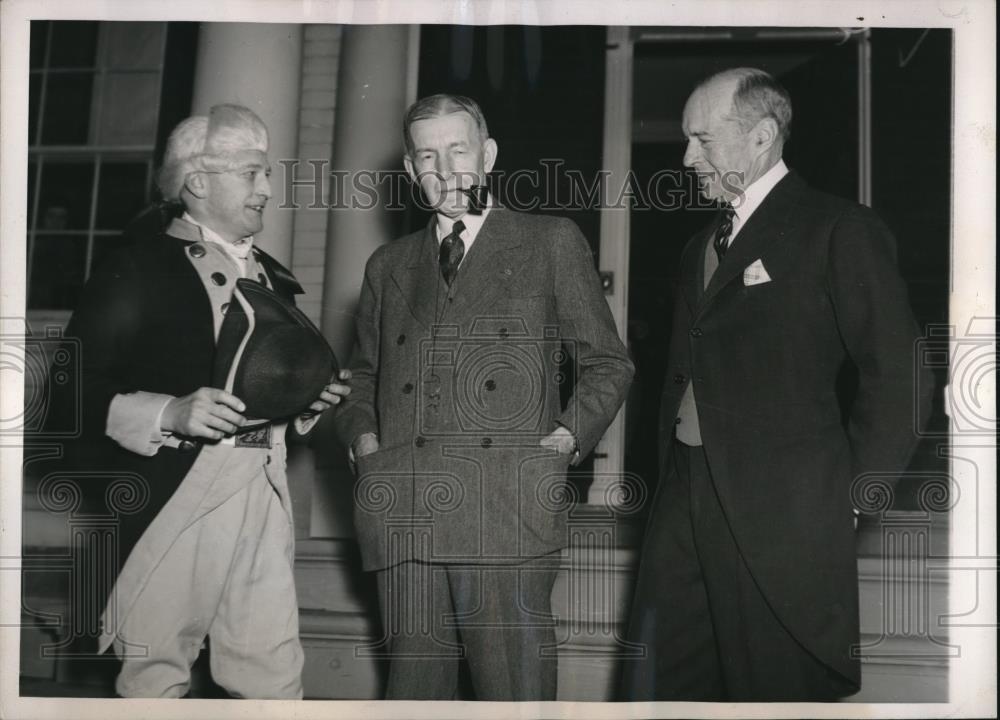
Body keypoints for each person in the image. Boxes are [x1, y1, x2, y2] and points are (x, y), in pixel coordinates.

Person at [620, 69, 933, 701]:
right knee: (657, 687)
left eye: (702, 140)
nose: (687, 158)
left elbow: (900, 371)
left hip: (783, 510)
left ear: (762, 136)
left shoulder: (838, 229)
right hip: (683, 495)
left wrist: (853, 496)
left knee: (773, 689)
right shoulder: (697, 246)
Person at [334, 94, 634, 700]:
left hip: (505, 507)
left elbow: (607, 363)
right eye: (426, 156)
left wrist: (563, 441)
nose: (443, 170)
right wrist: (364, 440)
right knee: (413, 695)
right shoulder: (388, 264)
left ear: (488, 155)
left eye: (458, 150)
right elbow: (362, 376)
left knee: (512, 695)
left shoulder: (549, 242)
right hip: (405, 507)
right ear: (412, 170)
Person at [51, 104, 350, 698]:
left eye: (266, 173)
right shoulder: (138, 267)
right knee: (156, 668)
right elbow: (67, 392)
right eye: (251, 173)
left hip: (263, 485)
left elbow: (264, 386)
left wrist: (308, 401)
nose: (267, 190)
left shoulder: (275, 279)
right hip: (174, 488)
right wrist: (168, 412)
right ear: (197, 181)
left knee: (271, 669)